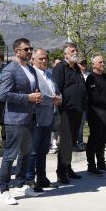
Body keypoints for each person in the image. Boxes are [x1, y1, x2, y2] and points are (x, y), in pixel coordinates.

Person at [0, 38, 43, 204]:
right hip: (15, 119)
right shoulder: (10, 70)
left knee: (26, 154)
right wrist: (28, 98)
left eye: (31, 48)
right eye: (26, 49)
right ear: (17, 51)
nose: (30, 51)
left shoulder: (31, 69)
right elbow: (4, 94)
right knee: (10, 156)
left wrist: (37, 96)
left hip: (30, 117)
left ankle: (21, 184)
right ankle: (4, 190)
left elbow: (33, 90)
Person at [53, 43, 87, 184]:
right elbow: (56, 89)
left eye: (76, 50)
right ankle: (61, 172)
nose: (75, 52)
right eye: (72, 51)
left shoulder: (76, 69)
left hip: (78, 110)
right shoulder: (60, 68)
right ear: (65, 54)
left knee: (72, 141)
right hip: (66, 111)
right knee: (65, 142)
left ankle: (68, 167)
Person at [29, 48, 61, 192]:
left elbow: (57, 92)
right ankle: (30, 180)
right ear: (33, 60)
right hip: (36, 118)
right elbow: (37, 96)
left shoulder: (49, 74)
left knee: (43, 151)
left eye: (45, 58)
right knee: (33, 151)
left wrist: (59, 98)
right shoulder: (32, 74)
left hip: (49, 118)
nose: (44, 60)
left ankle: (42, 178)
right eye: (41, 58)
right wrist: (53, 99)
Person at [86, 54, 106, 173]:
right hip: (96, 113)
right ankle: (91, 165)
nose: (103, 64)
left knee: (104, 138)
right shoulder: (91, 78)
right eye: (100, 62)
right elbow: (94, 97)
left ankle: (101, 163)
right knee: (94, 138)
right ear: (93, 65)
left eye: (103, 62)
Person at [74, 58, 89, 152]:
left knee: (82, 124)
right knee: (78, 124)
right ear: (77, 64)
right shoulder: (75, 75)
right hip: (77, 103)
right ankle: (78, 142)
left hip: (88, 103)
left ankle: (80, 142)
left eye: (85, 63)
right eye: (81, 63)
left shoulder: (90, 75)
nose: (84, 64)